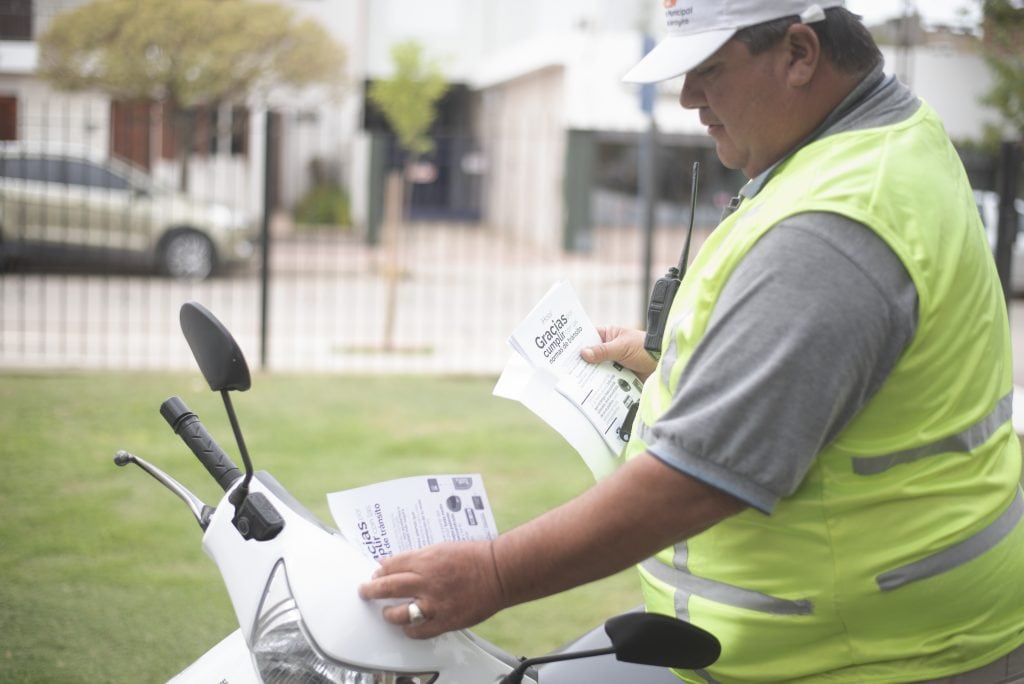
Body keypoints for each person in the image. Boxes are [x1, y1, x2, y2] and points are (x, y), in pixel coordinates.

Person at [359, 1, 1024, 681]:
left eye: (708, 69)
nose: (686, 98)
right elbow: (838, 377)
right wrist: (673, 366)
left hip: (872, 658)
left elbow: (690, 484)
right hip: (855, 635)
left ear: (799, 53)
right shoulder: (882, 138)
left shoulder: (832, 225)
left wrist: (494, 573)